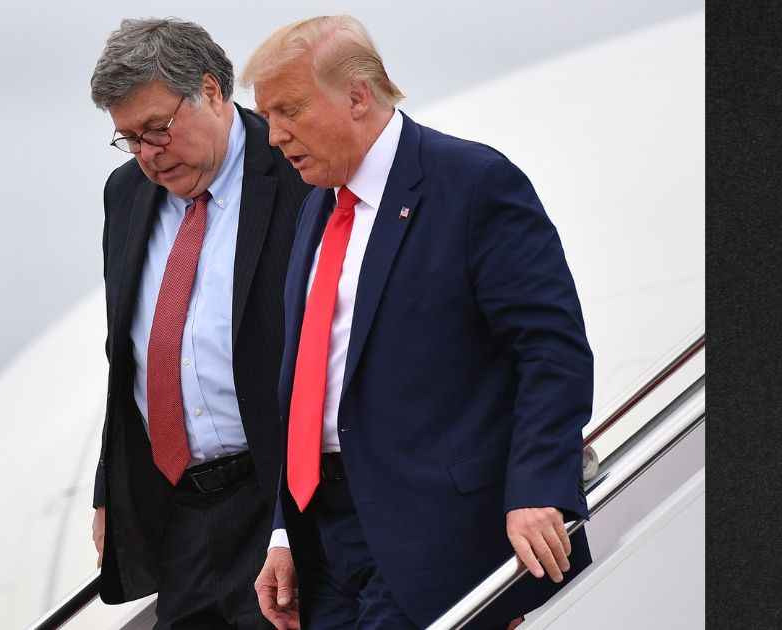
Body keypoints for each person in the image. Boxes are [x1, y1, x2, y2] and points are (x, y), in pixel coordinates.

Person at [242, 15, 594, 630]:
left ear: (358, 95)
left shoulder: (472, 183)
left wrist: (539, 486)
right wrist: (282, 532)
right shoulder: (315, 210)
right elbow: (309, 389)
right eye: (267, 115)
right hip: (325, 543)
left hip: (439, 537)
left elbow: (552, 349)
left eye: (290, 109)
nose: (273, 136)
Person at [87, 17, 311, 630]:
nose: (148, 155)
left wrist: (290, 522)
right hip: (182, 513)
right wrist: (111, 485)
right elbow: (130, 357)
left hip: (282, 502)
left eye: (158, 129)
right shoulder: (125, 194)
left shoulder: (296, 167)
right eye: (128, 138)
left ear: (212, 91)